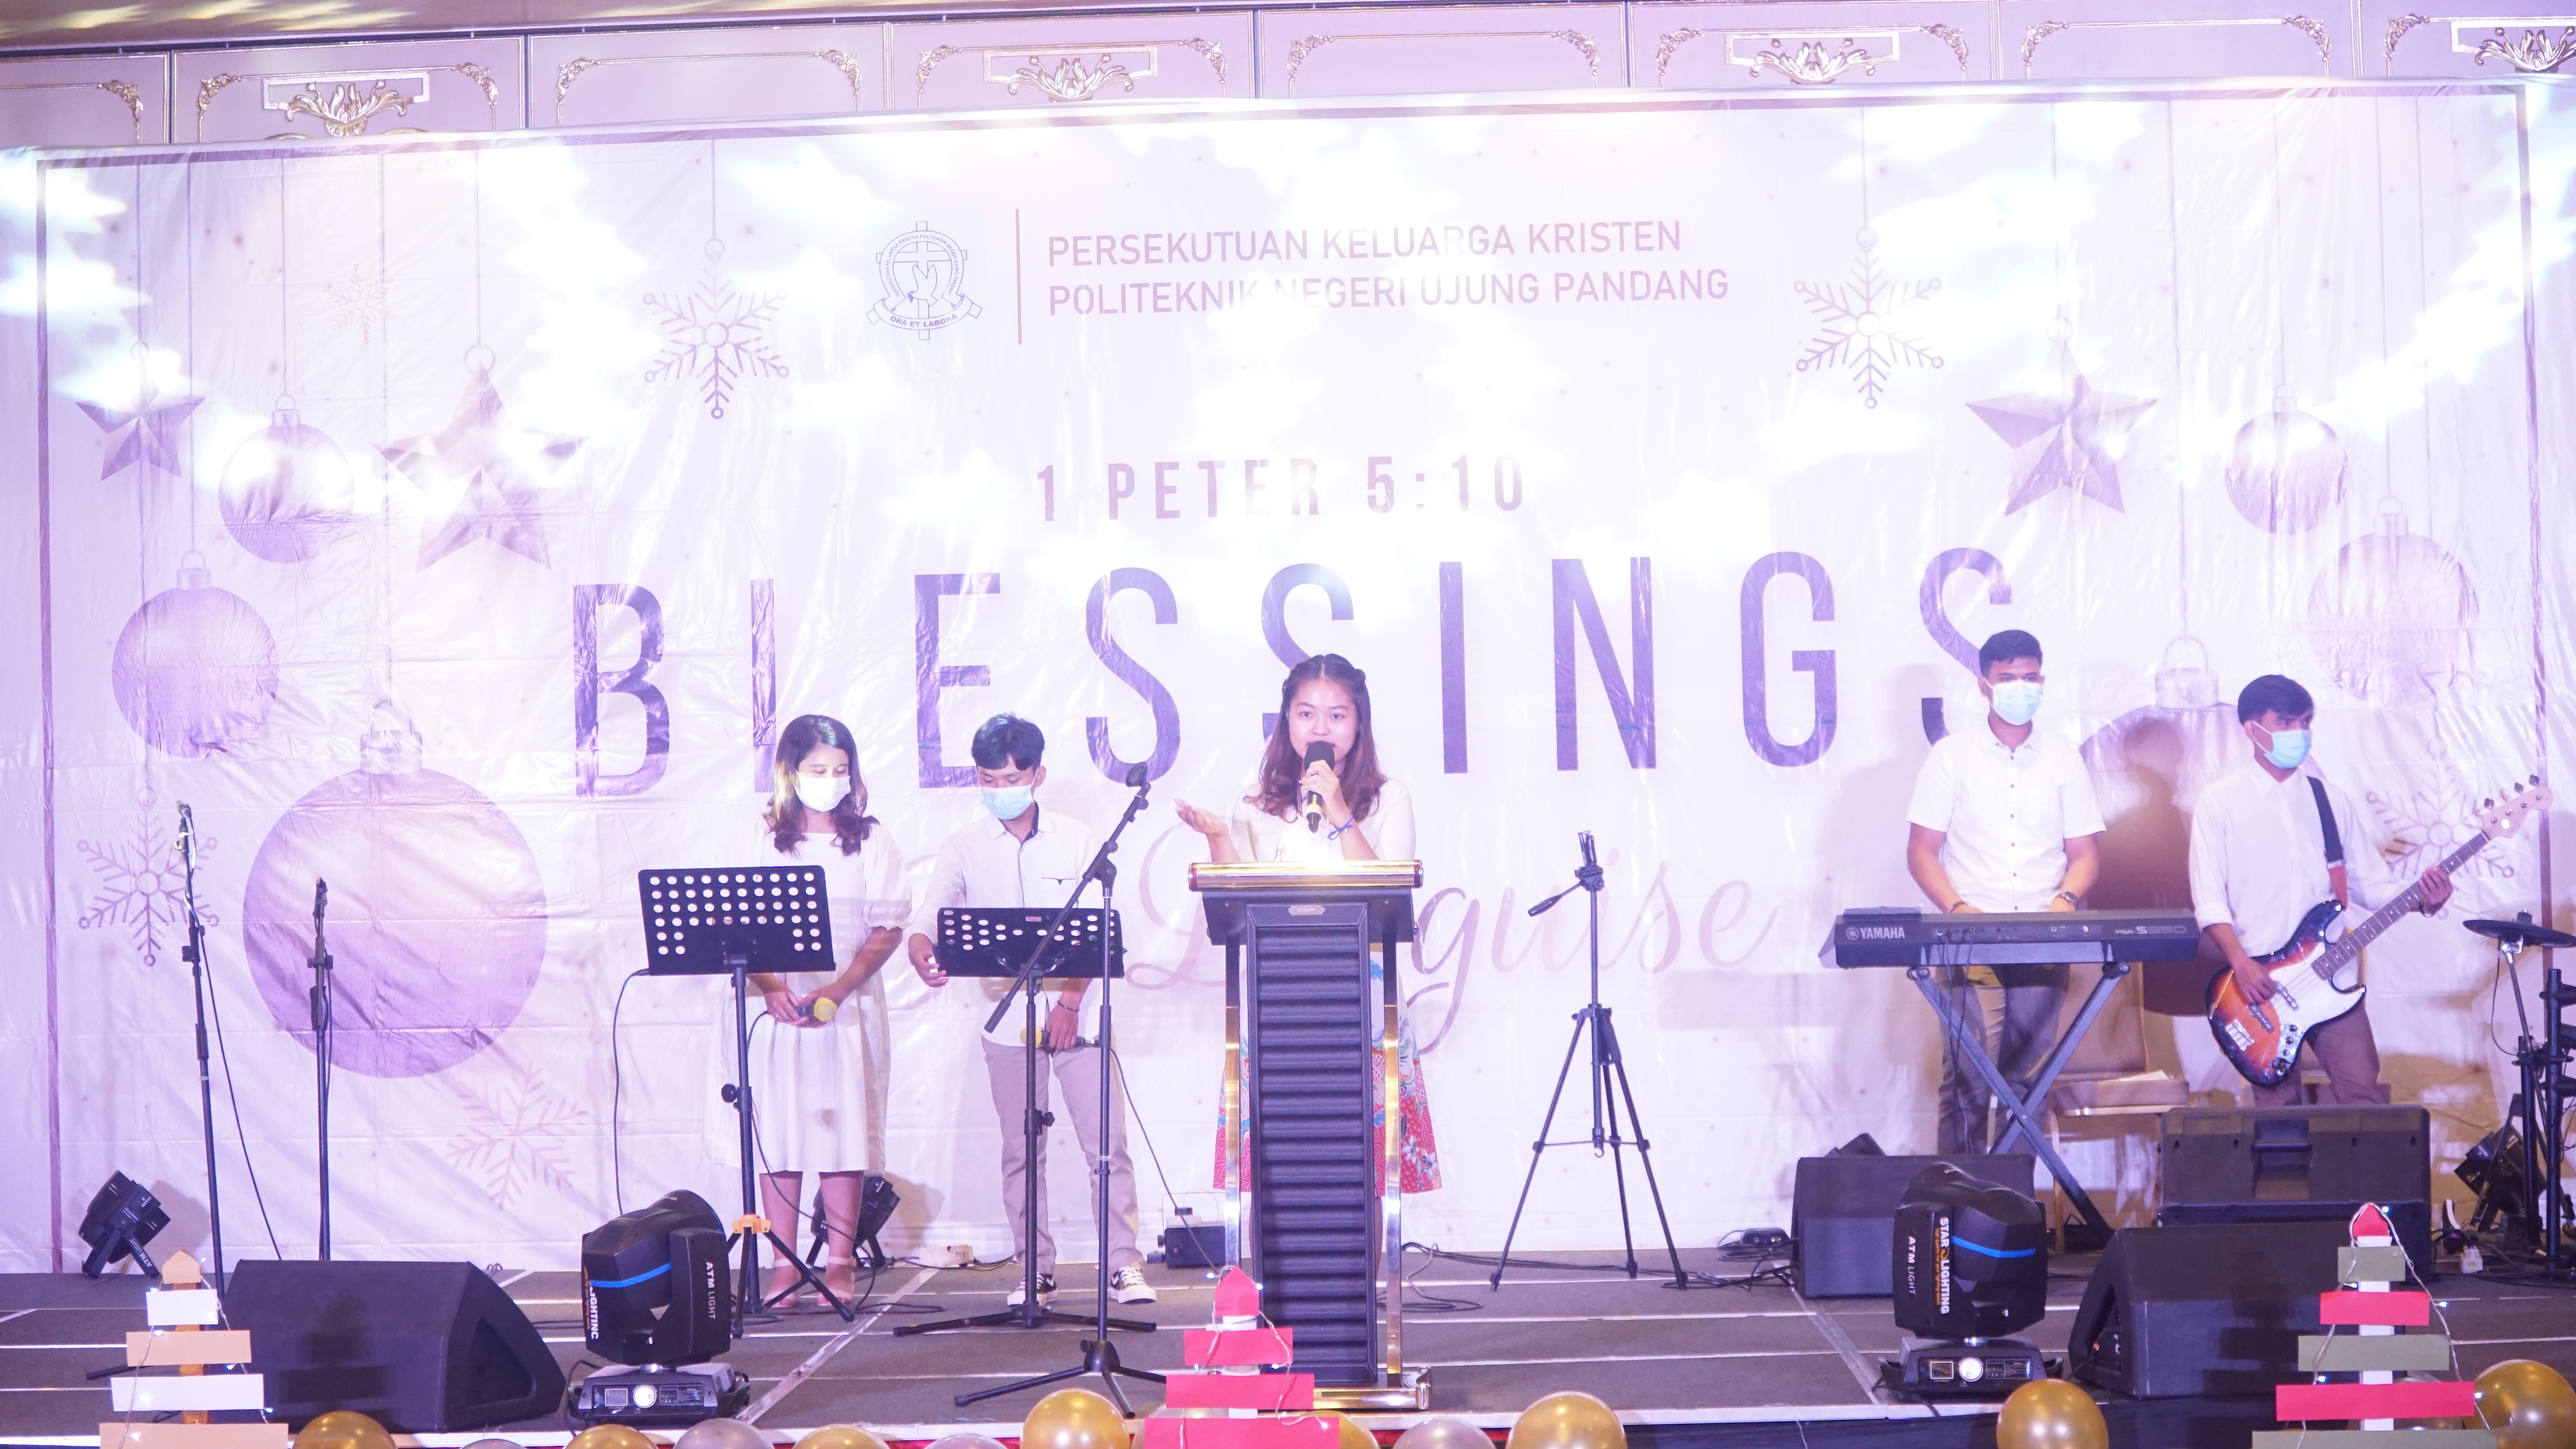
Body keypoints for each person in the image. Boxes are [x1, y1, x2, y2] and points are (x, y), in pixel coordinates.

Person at [907, 715, 1155, 1307]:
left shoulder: (1077, 839)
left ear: (1038, 776)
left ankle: (1122, 1264)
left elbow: (1096, 932)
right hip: (1005, 1022)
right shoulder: (963, 847)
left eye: (1012, 779)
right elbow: (929, 916)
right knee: (1021, 1151)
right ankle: (1035, 1269)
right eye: (989, 779)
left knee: (1106, 1147)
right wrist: (920, 950)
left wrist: (1069, 1001)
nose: (1000, 790)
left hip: (1079, 1021)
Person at [1175, 652, 1441, 1192]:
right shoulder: (1256, 804)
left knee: (1362, 1165)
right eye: (1306, 714)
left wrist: (1340, 811)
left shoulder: (1389, 798)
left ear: (1359, 723)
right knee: (1284, 1160)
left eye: (1336, 715)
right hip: (1279, 992)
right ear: (1287, 721)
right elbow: (1240, 901)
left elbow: (1387, 896)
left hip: (1361, 994)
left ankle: (1367, 1250)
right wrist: (1219, 836)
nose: (1320, 728)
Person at [2189, 674, 2451, 1106]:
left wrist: (2423, 900)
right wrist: (2241, 963)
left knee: (2363, 1098)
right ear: (2253, 729)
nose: (2300, 733)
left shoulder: (2331, 800)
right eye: (2286, 722)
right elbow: (2210, 899)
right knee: (2277, 1113)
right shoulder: (2220, 802)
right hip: (2259, 984)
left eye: (2306, 722)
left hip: (2333, 976)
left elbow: (2373, 885)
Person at [1905, 629, 2105, 1154]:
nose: (2021, 688)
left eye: (2030, 678)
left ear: (2043, 681)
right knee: (1968, 1079)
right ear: (1984, 685)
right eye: (2008, 678)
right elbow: (1922, 851)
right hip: (1969, 936)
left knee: (2030, 1081)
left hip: (2044, 935)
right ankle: (1959, 1196)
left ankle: (2016, 1197)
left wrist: (2064, 902)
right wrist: (1957, 908)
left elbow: (2085, 854)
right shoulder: (1951, 757)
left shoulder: (2063, 759)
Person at [743, 714, 908, 1306]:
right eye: (819, 769)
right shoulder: (759, 837)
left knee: (844, 1136)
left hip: (846, 1005)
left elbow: (888, 927)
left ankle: (839, 1262)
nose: (831, 780)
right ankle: (783, 1265)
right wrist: (770, 986)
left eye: (841, 770)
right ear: (790, 772)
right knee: (779, 1134)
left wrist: (838, 989)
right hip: (776, 1007)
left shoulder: (871, 839)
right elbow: (732, 921)